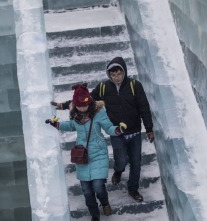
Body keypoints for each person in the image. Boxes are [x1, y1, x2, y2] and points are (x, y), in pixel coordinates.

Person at [52, 57, 154, 202]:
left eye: (119, 74)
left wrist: (149, 129)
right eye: (113, 75)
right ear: (109, 75)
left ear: (124, 72)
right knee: (120, 160)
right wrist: (64, 105)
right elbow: (86, 100)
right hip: (116, 133)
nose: (116, 77)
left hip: (135, 132)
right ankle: (118, 170)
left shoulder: (135, 86)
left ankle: (133, 189)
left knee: (136, 162)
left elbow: (144, 108)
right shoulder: (104, 87)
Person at [46, 84, 127, 221]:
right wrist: (57, 124)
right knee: (87, 191)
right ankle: (95, 216)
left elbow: (108, 128)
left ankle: (104, 202)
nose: (82, 108)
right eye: (79, 106)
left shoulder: (98, 113)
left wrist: (117, 130)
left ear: (89, 101)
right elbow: (70, 125)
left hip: (98, 154)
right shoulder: (75, 115)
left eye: (84, 105)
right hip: (82, 156)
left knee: (97, 186)